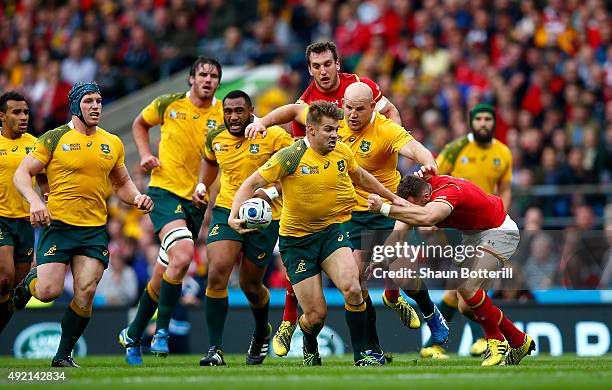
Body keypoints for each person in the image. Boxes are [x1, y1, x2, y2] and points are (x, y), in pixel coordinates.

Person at [246, 83, 448, 361]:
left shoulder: (385, 129)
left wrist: (429, 168)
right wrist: (261, 123)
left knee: (405, 275)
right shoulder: (329, 125)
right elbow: (294, 112)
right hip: (351, 214)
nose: (352, 115)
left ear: (373, 108)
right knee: (357, 285)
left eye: (359, 109)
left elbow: (416, 149)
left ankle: (429, 312)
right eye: (348, 108)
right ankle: (371, 350)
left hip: (386, 207)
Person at [231, 100, 406, 366]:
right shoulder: (290, 156)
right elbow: (252, 182)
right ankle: (310, 342)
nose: (335, 134)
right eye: (329, 130)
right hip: (297, 243)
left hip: (331, 233)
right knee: (316, 316)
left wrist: (393, 198)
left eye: (337, 129)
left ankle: (362, 357)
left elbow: (361, 177)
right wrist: (234, 215)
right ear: (310, 130)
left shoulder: (342, 152)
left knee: (353, 288)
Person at [12, 82, 154, 368]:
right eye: (89, 101)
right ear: (76, 105)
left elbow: (122, 183)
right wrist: (35, 201)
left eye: (99, 101)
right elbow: (22, 173)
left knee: (86, 291)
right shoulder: (53, 138)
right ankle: (30, 283)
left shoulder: (111, 142)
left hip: (93, 231)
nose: (96, 106)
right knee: (48, 291)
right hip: (59, 226)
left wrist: (138, 197)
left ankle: (63, 354)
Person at [118, 57, 223, 365]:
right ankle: (160, 331)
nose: (207, 79)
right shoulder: (169, 103)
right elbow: (139, 123)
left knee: (165, 271)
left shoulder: (223, 112)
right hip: (163, 191)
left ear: (218, 82)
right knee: (184, 253)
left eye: (213, 76)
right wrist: (146, 153)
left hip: (196, 200)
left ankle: (133, 333)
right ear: (191, 79)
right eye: (202, 74)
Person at [368, 172, 534, 366]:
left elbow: (428, 217)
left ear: (425, 197)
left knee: (468, 288)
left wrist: (384, 209)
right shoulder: (422, 192)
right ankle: (518, 340)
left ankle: (496, 342)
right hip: (473, 236)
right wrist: (380, 258)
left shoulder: (448, 192)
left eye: (414, 205)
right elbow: (397, 237)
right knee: (466, 306)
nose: (412, 210)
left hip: (498, 231)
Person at [197, 90, 293, 366]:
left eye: (239, 110)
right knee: (217, 271)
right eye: (228, 111)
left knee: (251, 285)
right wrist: (203, 185)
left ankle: (262, 331)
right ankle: (214, 348)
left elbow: (292, 173)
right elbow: (209, 160)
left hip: (265, 217)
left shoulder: (274, 136)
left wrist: (269, 194)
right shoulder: (216, 138)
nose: (233, 116)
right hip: (227, 209)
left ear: (251, 110)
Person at [420, 103, 513, 359]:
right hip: (455, 223)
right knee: (466, 286)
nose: (484, 123)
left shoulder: (503, 153)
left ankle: (436, 342)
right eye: (479, 119)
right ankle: (487, 338)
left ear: (494, 122)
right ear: (472, 122)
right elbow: (434, 177)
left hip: (488, 222)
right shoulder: (456, 148)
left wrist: (504, 212)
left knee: (463, 287)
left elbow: (505, 187)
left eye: (488, 119)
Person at [0, 91, 46, 334]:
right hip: (1, 220)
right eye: (16, 112)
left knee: (15, 291)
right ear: (2, 116)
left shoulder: (35, 145)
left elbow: (45, 180)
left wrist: (48, 201)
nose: (23, 116)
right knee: (4, 278)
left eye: (26, 112)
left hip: (25, 223)